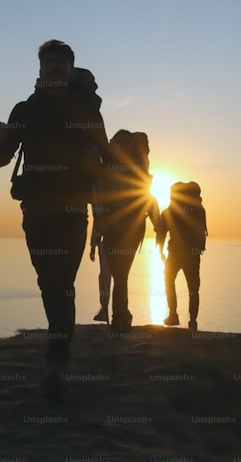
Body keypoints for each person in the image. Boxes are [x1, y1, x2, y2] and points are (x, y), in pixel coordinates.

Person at [0, 39, 109, 402]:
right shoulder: (25, 109)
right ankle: (58, 354)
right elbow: (0, 160)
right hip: (36, 211)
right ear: (40, 69)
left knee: (62, 282)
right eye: (49, 62)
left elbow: (106, 157)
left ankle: (56, 361)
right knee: (48, 282)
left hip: (72, 209)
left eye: (60, 62)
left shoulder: (86, 108)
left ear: (70, 69)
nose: (54, 67)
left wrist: (94, 159)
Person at [89, 130, 161, 333]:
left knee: (120, 274)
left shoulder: (138, 169)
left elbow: (148, 198)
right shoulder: (108, 170)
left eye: (126, 143)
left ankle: (119, 317)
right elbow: (98, 204)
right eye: (119, 143)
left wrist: (158, 225)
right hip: (112, 229)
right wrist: (95, 238)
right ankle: (121, 316)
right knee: (117, 273)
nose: (122, 147)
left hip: (132, 229)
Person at [156, 182, 208, 332]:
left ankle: (173, 314)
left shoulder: (169, 211)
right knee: (193, 288)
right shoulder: (199, 210)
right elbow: (202, 232)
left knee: (169, 281)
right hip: (192, 254)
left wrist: (160, 250)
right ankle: (192, 321)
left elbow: (161, 232)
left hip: (175, 253)